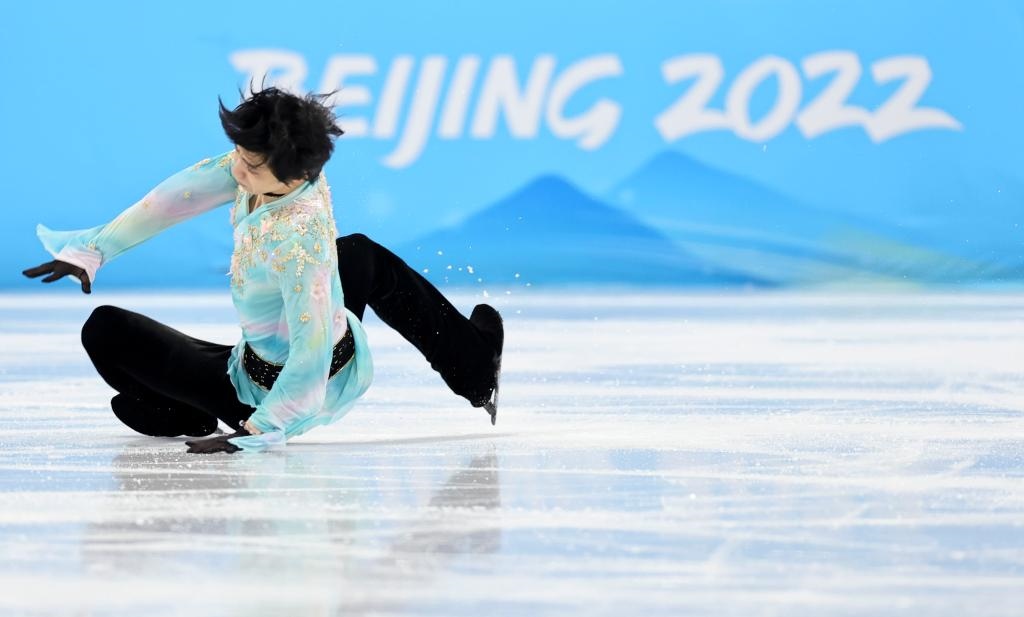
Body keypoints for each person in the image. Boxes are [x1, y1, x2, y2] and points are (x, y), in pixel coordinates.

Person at [21, 87, 504, 454]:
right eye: (239, 155)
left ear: (297, 176)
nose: (237, 169)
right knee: (360, 254)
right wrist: (92, 250)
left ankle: (189, 409)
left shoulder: (300, 243)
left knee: (107, 331)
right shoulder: (268, 167)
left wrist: (257, 430)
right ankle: (475, 365)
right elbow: (175, 198)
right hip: (253, 358)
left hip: (274, 390)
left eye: (251, 166)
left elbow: (311, 350)